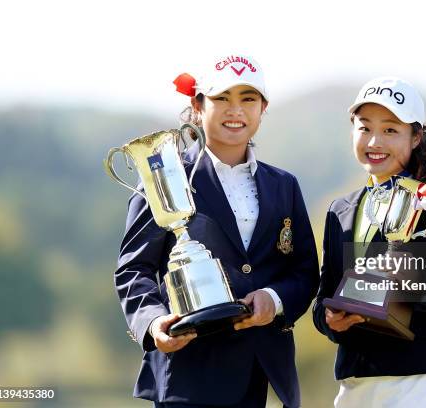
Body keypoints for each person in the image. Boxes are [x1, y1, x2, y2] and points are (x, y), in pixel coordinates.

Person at [114, 55, 320, 408]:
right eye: (222, 98)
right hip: (188, 371)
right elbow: (134, 269)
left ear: (263, 108)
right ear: (197, 105)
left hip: (262, 371)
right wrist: (153, 321)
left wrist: (274, 298)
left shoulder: (284, 185)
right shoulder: (166, 176)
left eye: (248, 99)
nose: (235, 110)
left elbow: (304, 271)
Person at [312, 77, 426, 407]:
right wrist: (330, 319)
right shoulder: (339, 211)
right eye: (364, 128)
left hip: (420, 383)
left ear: (416, 136)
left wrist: (408, 283)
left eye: (391, 130)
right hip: (354, 386)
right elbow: (324, 299)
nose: (375, 141)